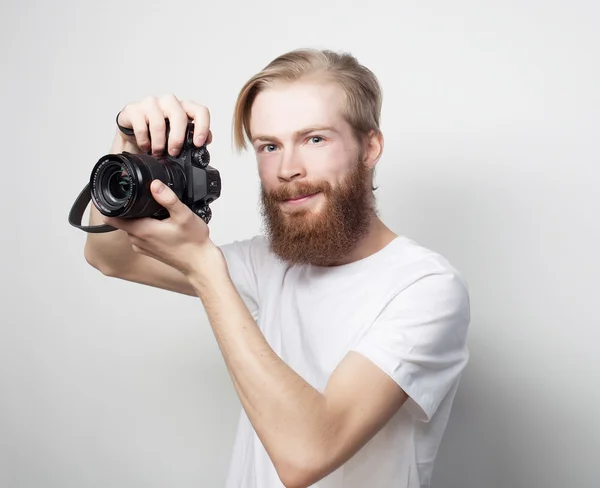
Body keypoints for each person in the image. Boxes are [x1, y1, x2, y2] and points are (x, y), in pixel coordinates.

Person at [83, 48, 471, 488]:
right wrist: (129, 146)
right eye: (269, 146)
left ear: (370, 147)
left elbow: (307, 454)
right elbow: (108, 256)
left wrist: (206, 271)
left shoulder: (425, 287)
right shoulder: (269, 262)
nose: (288, 169)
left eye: (315, 139)